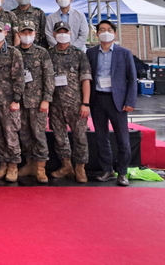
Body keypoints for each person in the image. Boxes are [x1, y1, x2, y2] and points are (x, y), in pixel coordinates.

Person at [86, 20, 137, 187]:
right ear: (96, 34)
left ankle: (122, 172)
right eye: (101, 30)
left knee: (122, 138)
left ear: (115, 34)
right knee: (101, 137)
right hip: (98, 99)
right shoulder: (91, 53)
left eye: (109, 30)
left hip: (118, 101)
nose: (105, 32)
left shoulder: (124, 53)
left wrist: (130, 101)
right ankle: (106, 169)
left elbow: (132, 79)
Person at [48, 21, 92, 183]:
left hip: (76, 104)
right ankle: (66, 165)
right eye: (59, 31)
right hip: (55, 104)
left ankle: (80, 167)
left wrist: (85, 103)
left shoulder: (79, 54)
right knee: (60, 137)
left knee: (80, 137)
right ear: (54, 34)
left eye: (65, 31)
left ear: (70, 33)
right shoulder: (49, 54)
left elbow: (86, 80)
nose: (62, 34)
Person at [0, 21, 25, 183]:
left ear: (6, 33)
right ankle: (2, 163)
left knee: (10, 134)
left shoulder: (14, 53)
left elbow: (19, 78)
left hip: (8, 102)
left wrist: (16, 100)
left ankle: (13, 164)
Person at [15, 20, 55, 184]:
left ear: (35, 34)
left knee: (38, 135)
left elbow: (49, 77)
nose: (26, 36)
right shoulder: (14, 52)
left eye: (29, 33)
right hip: (19, 101)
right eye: (23, 33)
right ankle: (29, 163)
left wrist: (46, 99)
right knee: (24, 135)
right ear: (18, 34)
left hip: (37, 101)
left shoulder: (42, 53)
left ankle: (40, 167)